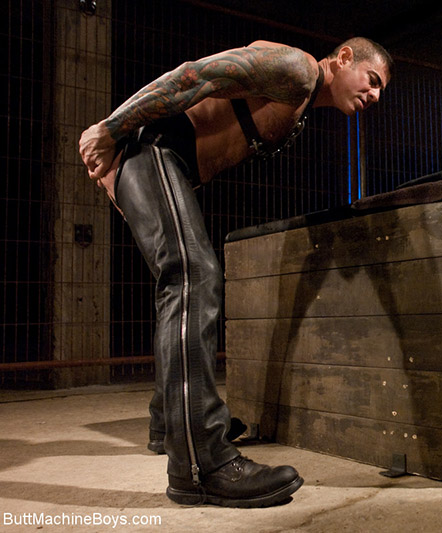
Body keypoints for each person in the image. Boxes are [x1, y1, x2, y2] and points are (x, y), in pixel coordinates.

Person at [79, 37, 393, 508]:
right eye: (372, 80)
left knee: (184, 280)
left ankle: (169, 424)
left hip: (162, 163)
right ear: (345, 58)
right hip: (152, 150)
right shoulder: (297, 68)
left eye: (380, 91)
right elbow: (193, 75)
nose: (375, 95)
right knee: (195, 275)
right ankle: (202, 465)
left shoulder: (302, 98)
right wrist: (110, 129)